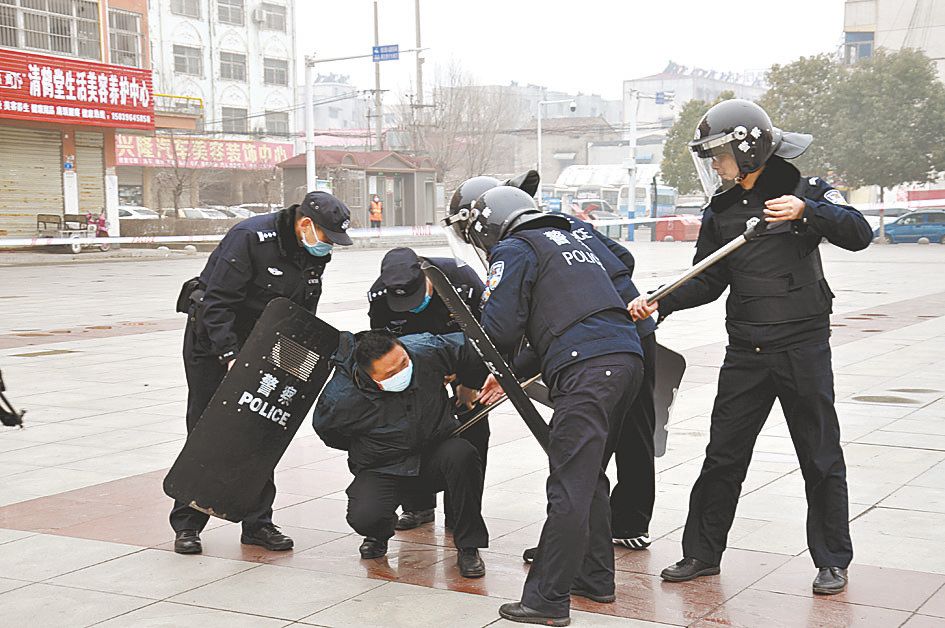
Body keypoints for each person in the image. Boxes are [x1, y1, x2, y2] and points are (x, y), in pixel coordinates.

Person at [629, 99, 872, 595]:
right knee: (723, 455)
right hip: (746, 351)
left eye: (718, 156)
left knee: (819, 454)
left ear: (748, 149)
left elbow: (859, 234)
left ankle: (832, 560)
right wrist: (661, 301)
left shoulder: (804, 190)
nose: (714, 167)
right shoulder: (720, 209)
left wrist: (810, 212)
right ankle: (701, 552)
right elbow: (708, 278)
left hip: (803, 346)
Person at [454, 186, 644, 626]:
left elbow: (499, 328)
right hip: (625, 361)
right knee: (588, 474)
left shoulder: (515, 246)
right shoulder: (576, 241)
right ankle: (594, 578)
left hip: (588, 371)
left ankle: (546, 599)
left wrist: (476, 349)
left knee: (568, 485)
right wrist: (510, 373)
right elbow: (565, 321)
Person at [171, 191, 353, 555]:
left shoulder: (313, 248)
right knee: (208, 429)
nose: (329, 247)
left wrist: (300, 362)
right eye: (327, 238)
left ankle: (258, 523)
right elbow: (215, 304)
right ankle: (187, 524)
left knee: (263, 428)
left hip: (266, 341)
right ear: (305, 225)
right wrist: (230, 356)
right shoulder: (250, 238)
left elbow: (302, 310)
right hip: (213, 341)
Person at [311, 329, 490, 579]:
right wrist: (370, 448)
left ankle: (469, 547)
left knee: (462, 453)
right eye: (391, 373)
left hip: (434, 453)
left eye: (404, 363)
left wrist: (468, 384)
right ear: (369, 376)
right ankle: (379, 533)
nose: (402, 372)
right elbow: (328, 432)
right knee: (365, 517)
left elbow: (473, 349)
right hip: (383, 465)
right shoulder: (341, 398)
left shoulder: (426, 350)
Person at [367, 247, 487, 532]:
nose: (410, 306)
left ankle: (462, 514)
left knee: (473, 430)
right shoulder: (379, 296)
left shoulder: (461, 278)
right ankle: (418, 506)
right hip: (415, 364)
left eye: (415, 296)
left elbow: (489, 332)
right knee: (413, 429)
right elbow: (382, 345)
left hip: (467, 358)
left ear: (426, 275)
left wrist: (468, 381)